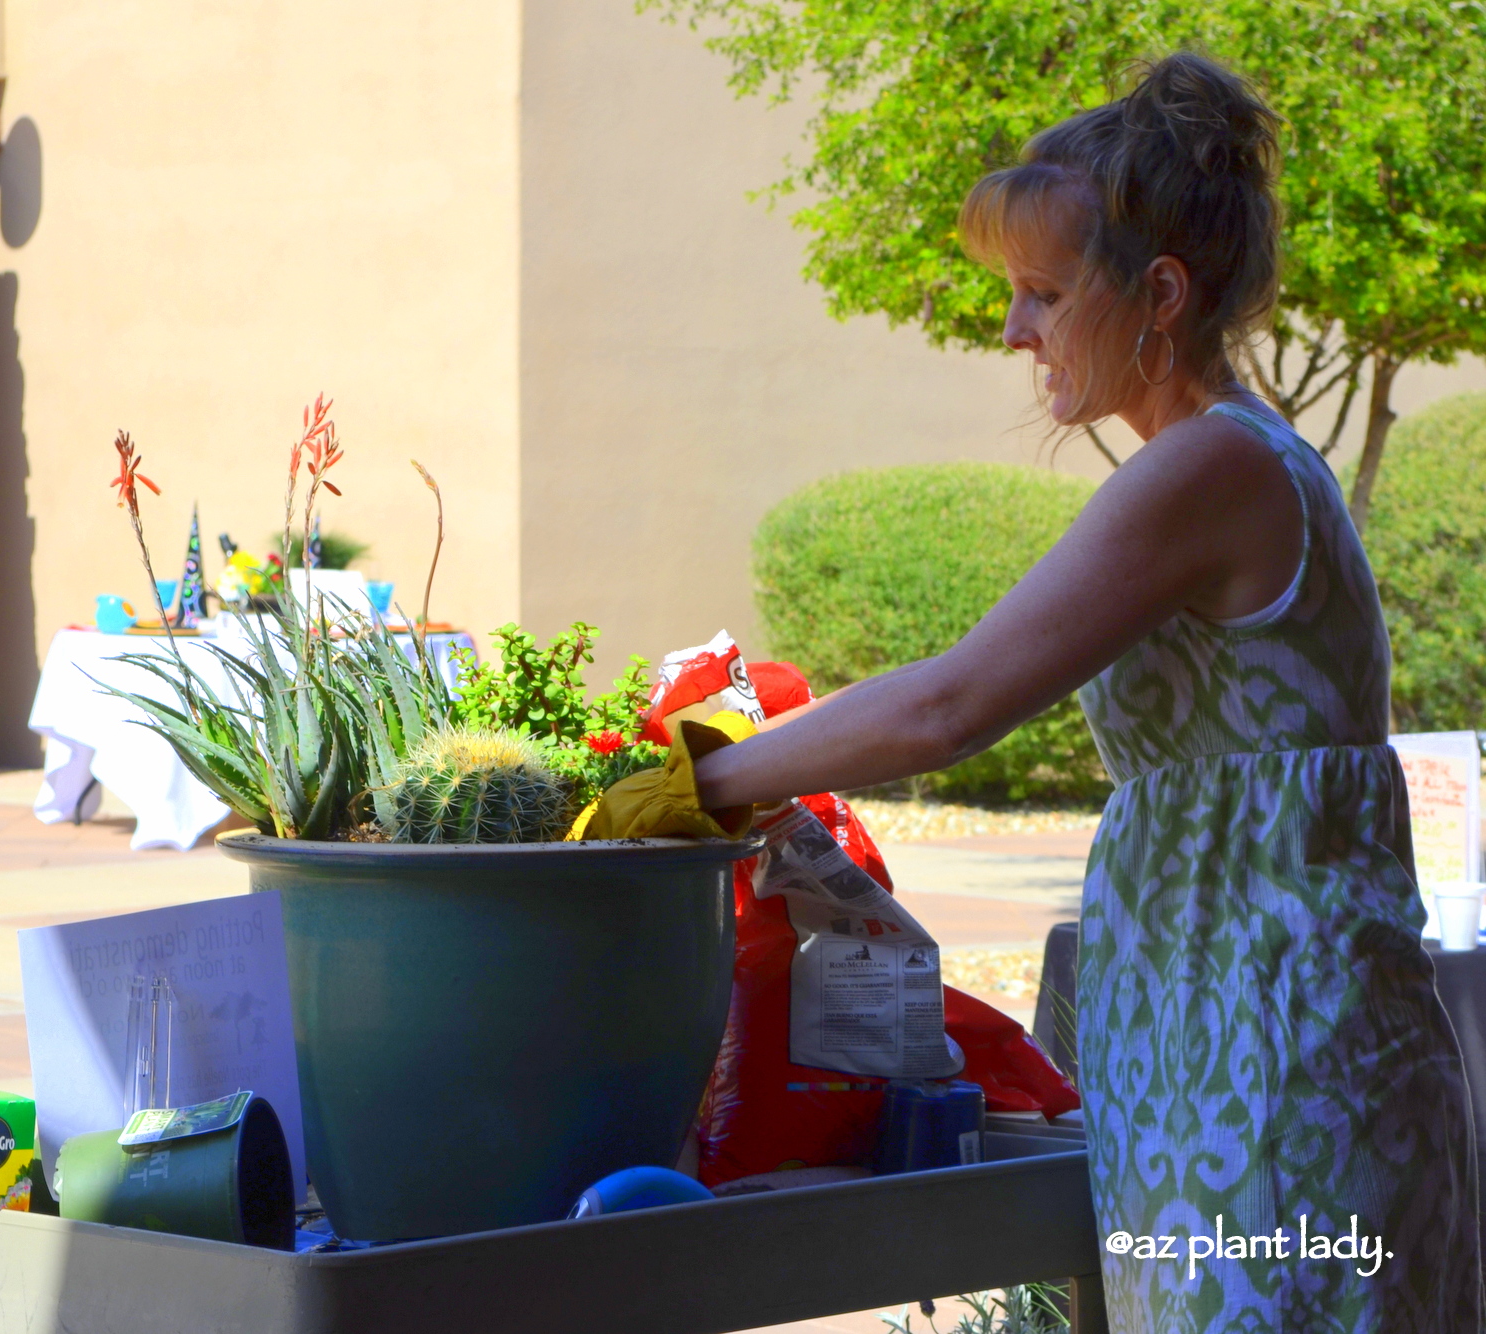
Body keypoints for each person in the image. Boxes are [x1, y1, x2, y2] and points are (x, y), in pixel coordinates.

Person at [589, 51, 1481, 1331]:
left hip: (1280, 1064)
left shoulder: (1212, 466)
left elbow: (951, 703)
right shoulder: (1214, 460)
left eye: (1044, 294)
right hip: (1237, 1041)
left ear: (1159, 294)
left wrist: (693, 782)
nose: (1011, 331)